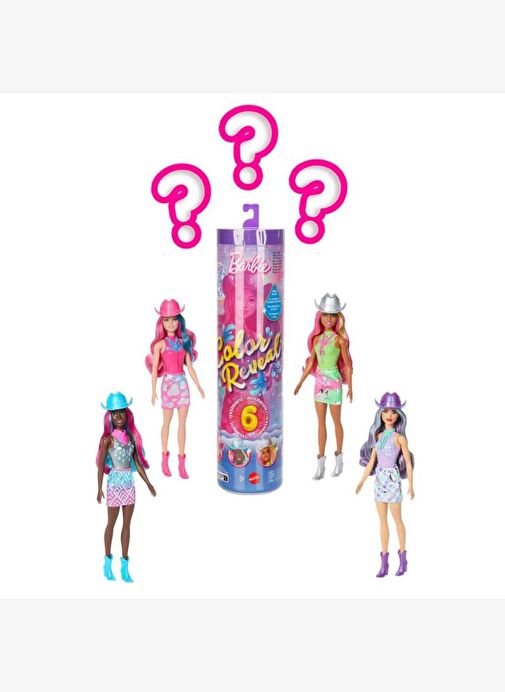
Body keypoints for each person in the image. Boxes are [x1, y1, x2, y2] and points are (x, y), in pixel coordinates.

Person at [96, 392, 156, 582]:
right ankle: (107, 562)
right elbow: (100, 466)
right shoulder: (108, 440)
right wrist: (99, 488)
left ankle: (124, 566)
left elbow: (137, 462)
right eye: (115, 414)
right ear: (110, 417)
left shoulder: (131, 439)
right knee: (111, 523)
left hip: (129, 482)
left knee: (127, 525)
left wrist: (148, 483)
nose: (119, 417)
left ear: (127, 414)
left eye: (122, 413)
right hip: (114, 483)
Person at [356, 392, 415, 577]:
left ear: (399, 415)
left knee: (397, 520)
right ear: (380, 413)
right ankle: (384, 563)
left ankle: (403, 559)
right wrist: (362, 481)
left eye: (394, 412)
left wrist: (411, 484)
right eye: (386, 411)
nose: (389, 415)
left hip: (392, 479)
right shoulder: (378, 435)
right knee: (382, 521)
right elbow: (372, 461)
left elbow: (408, 463)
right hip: (379, 480)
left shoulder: (400, 438)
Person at [294, 293, 353, 480]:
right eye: (325, 315)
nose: (328, 319)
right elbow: (311, 362)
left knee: (336, 422)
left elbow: (347, 364)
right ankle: (320, 464)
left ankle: (339, 460)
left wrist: (351, 387)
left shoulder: (339, 340)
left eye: (332, 315)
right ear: (320, 316)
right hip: (319, 383)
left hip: (334, 382)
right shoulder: (317, 339)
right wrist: (300, 382)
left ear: (338, 318)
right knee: (320, 423)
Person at [146, 299, 205, 479]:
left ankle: (181, 463)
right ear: (161, 322)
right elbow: (154, 370)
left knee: (182, 424)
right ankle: (164, 459)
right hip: (168, 385)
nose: (170, 323)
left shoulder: (183, 342)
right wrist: (153, 390)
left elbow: (190, 367)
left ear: (179, 320)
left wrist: (199, 386)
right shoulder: (160, 345)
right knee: (167, 423)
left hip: (182, 384)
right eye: (166, 319)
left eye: (174, 319)